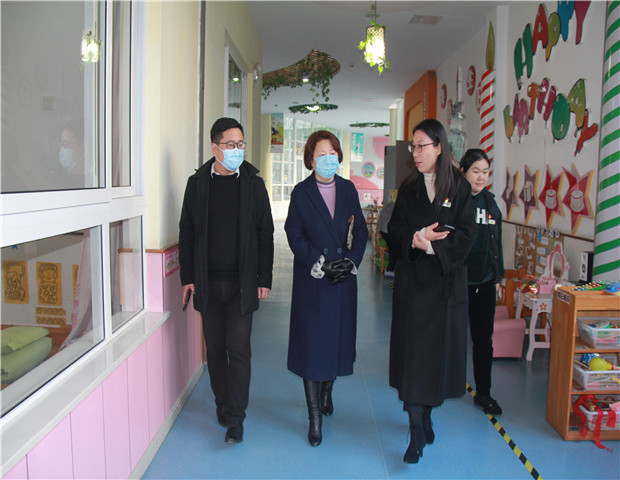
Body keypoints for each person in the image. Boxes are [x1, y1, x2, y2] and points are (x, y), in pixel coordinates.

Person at [178, 117, 274, 445]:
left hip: (241, 284)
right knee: (216, 349)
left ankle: (236, 417)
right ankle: (222, 402)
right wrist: (188, 277)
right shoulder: (197, 184)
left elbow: (265, 232)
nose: (237, 150)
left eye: (240, 144)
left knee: (239, 348)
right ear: (214, 147)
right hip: (208, 282)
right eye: (231, 145)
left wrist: (264, 277)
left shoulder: (253, 184)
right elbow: (187, 232)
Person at [387, 119, 476, 464]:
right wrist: (415, 238)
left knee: (435, 361)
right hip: (413, 289)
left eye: (422, 146)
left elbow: (466, 236)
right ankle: (416, 431)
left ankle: (425, 416)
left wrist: (432, 247)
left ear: (439, 147)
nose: (416, 152)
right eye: (413, 146)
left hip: (443, 289)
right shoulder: (409, 187)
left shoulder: (459, 187)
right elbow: (394, 230)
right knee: (413, 362)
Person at [284, 130, 368, 447]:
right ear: (310, 159)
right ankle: (314, 417)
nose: (328, 158)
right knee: (312, 347)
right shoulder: (301, 193)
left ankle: (328, 390)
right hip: (314, 281)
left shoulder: (347, 189)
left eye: (333, 152)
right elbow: (294, 234)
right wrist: (318, 261)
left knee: (335, 343)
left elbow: (361, 231)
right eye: (321, 153)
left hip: (342, 282)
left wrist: (351, 261)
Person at [460, 148, 505, 416]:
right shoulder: (454, 200)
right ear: (464, 172)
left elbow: (497, 241)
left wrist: (497, 276)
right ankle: (441, 385)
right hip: (458, 282)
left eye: (485, 172)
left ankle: (484, 393)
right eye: (475, 171)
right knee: (450, 337)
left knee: (483, 341)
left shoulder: (490, 202)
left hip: (486, 282)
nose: (481, 176)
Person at [377, 200, 397, 277]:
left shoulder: (389, 205)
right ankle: (390, 269)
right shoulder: (397, 208)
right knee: (394, 249)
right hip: (387, 230)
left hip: (381, 230)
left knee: (392, 247)